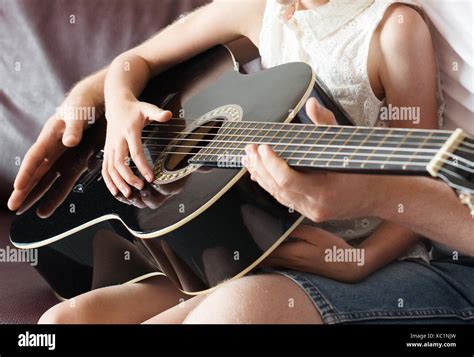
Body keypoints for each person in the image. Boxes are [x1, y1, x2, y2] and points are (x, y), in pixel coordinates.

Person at [7, 0, 474, 324]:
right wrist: (118, 101)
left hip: (347, 256)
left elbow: (423, 182)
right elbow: (135, 60)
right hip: (252, 240)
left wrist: (358, 258)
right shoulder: (259, 11)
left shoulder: (393, 30)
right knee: (62, 320)